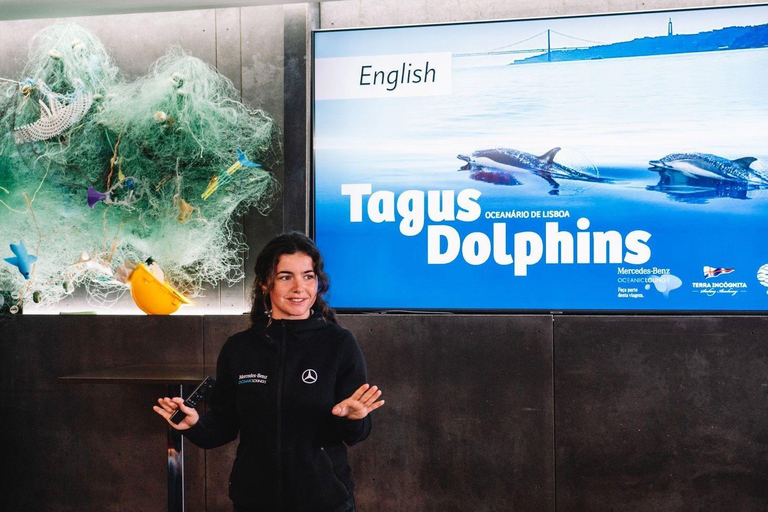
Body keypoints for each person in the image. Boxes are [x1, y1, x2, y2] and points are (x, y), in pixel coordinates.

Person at [153, 232, 384, 512]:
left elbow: (356, 434)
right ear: (265, 283)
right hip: (253, 500)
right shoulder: (239, 348)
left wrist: (355, 418)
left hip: (324, 501)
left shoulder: (339, 344)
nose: (299, 287)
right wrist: (194, 425)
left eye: (308, 276)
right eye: (286, 277)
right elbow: (223, 426)